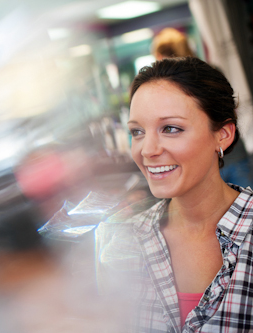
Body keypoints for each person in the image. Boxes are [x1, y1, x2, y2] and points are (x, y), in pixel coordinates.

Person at [97, 56, 253, 332]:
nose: (147, 150)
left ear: (223, 135)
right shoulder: (123, 242)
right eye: (137, 132)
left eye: (170, 128)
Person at [151, 27, 252, 188]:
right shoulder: (212, 72)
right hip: (229, 156)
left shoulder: (171, 90)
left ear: (163, 57)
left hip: (212, 164)